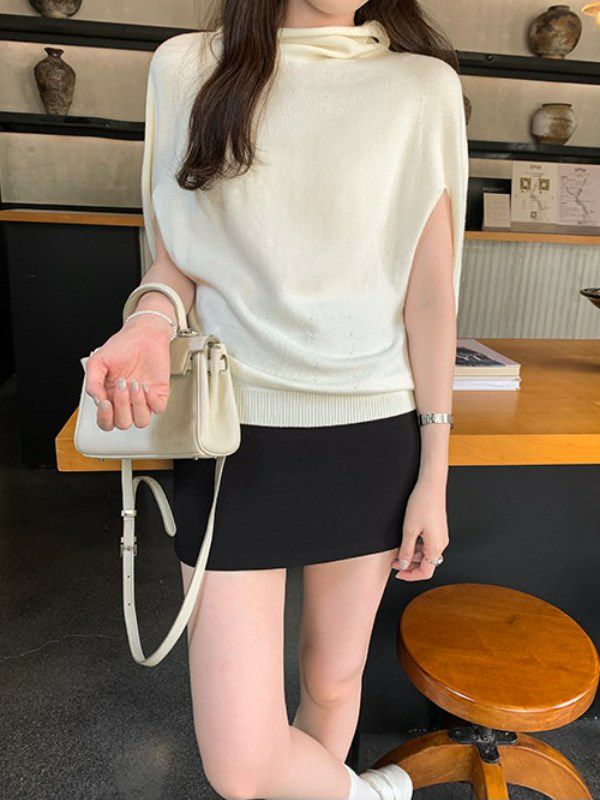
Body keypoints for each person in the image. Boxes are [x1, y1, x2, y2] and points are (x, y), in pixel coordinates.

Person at [84, 1, 468, 798]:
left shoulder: (420, 86)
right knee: (240, 764)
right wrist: (149, 322)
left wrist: (434, 473)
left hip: (372, 430)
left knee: (332, 681)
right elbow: (179, 256)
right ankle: (372, 794)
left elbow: (430, 296)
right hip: (231, 433)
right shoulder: (187, 68)